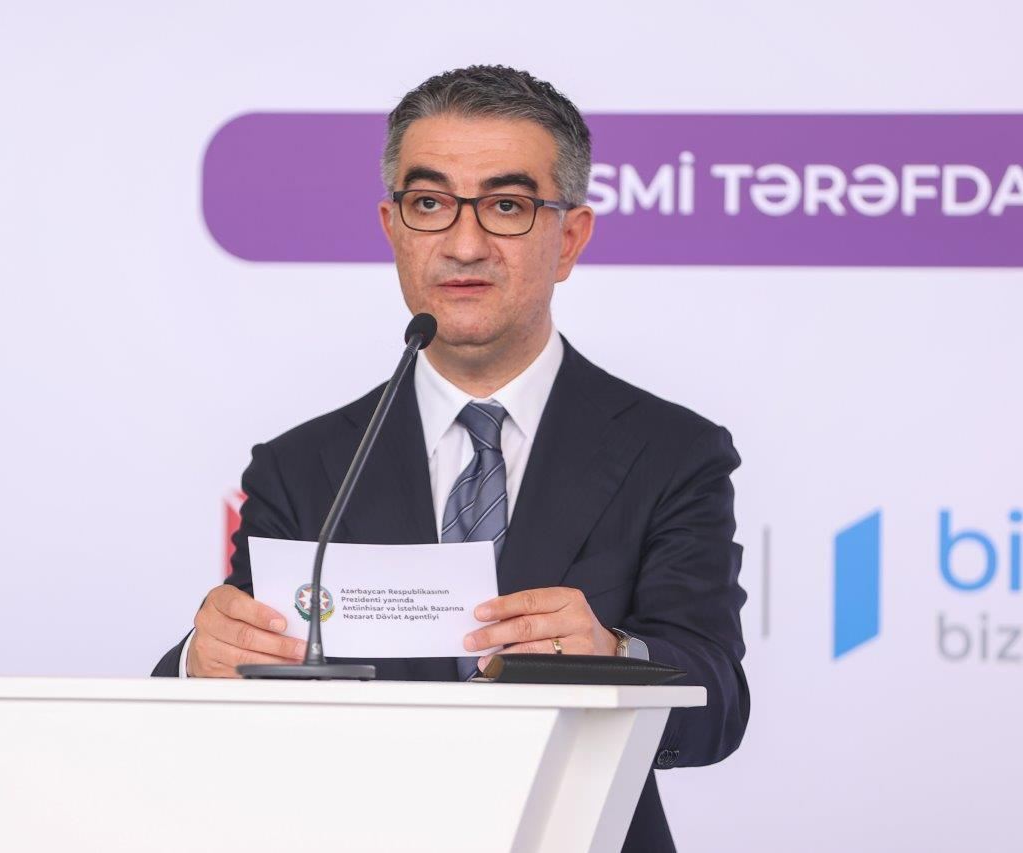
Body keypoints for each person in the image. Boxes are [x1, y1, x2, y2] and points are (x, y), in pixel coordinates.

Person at [153, 65, 748, 852]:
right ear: (393, 227)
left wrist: (616, 656)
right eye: (430, 204)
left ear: (570, 238)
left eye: (507, 206)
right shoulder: (302, 469)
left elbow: (718, 704)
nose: (464, 245)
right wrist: (199, 662)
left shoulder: (671, 452)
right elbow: (222, 705)